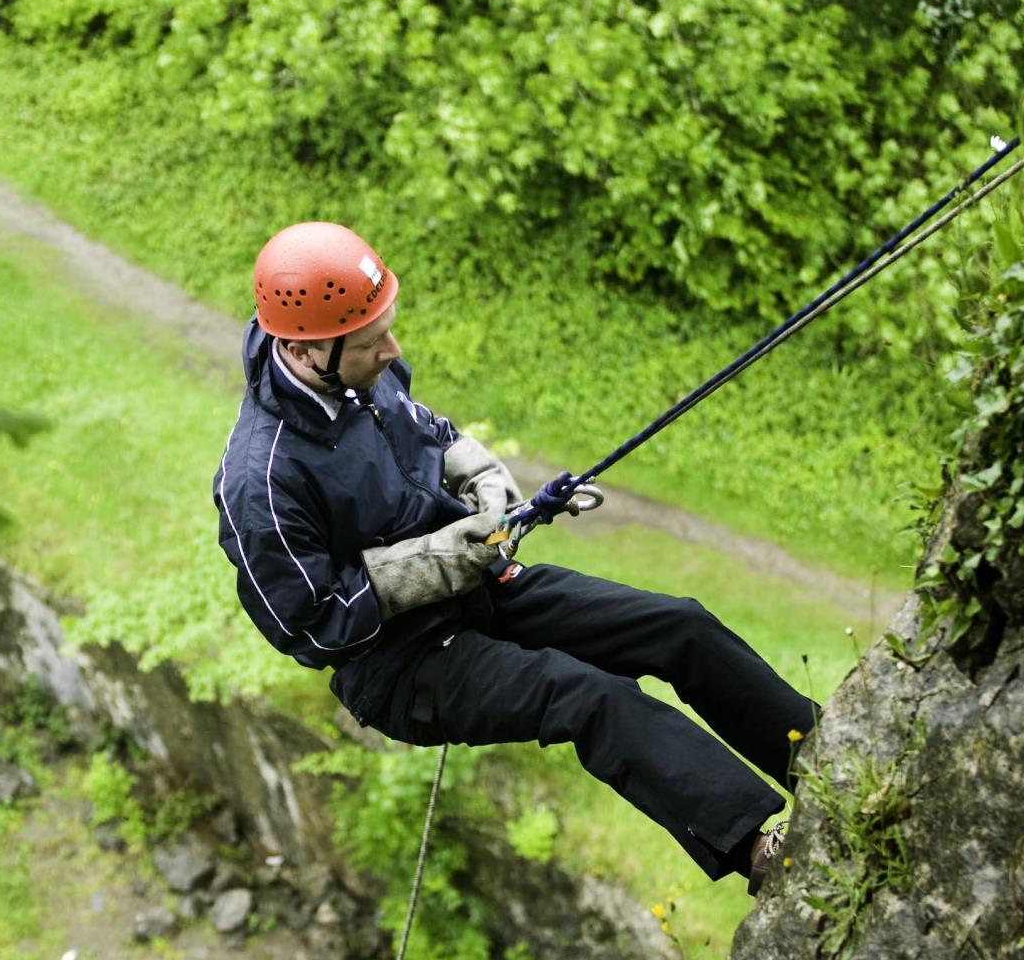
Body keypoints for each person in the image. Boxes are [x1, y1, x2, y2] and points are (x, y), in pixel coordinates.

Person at [213, 221, 815, 892]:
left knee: (678, 625)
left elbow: (424, 433)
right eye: (370, 340)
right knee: (591, 698)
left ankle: (818, 756)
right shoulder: (261, 480)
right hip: (402, 666)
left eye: (387, 326)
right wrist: (436, 560)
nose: (393, 349)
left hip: (480, 588)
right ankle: (763, 854)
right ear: (305, 349)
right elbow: (307, 624)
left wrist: (481, 478)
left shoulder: (360, 374)